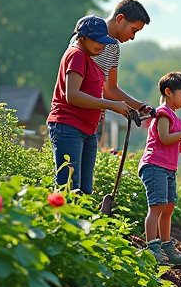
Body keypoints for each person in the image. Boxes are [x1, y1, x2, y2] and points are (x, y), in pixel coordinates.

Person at [48, 16, 135, 193]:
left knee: (85, 190)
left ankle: (80, 221)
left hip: (87, 129)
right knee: (69, 187)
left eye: (104, 42)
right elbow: (71, 95)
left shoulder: (89, 59)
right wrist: (110, 105)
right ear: (83, 37)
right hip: (69, 126)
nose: (101, 46)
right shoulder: (76, 55)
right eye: (97, 41)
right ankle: (61, 220)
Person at [138, 72, 181, 266]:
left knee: (168, 208)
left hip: (168, 168)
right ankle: (152, 248)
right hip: (154, 166)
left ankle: (166, 246)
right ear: (168, 92)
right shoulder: (162, 113)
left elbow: (179, 146)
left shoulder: (176, 119)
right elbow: (165, 139)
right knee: (157, 206)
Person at [92, 0, 156, 129]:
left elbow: (110, 89)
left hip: (95, 118)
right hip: (75, 116)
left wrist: (140, 107)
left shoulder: (114, 48)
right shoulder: (87, 36)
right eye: (134, 30)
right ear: (120, 18)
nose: (133, 37)